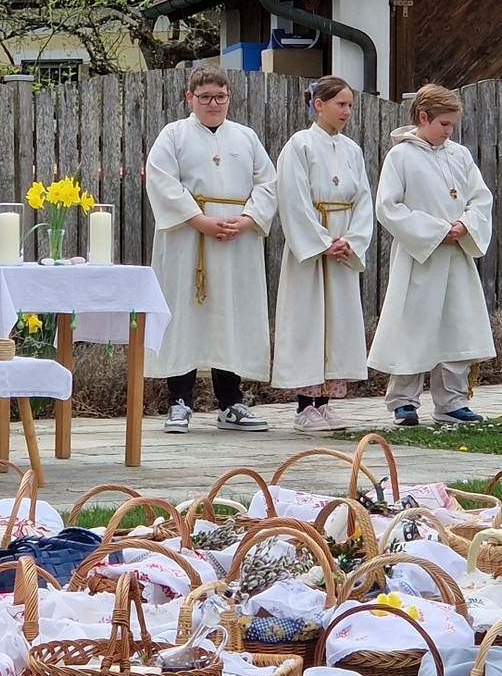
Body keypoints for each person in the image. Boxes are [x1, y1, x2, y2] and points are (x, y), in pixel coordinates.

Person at [144, 65, 277, 434]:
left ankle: (231, 403)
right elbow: (162, 182)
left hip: (236, 241)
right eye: (205, 97)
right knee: (185, 315)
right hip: (188, 240)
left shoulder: (246, 138)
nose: (213, 104)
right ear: (190, 98)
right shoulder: (173, 135)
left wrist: (248, 219)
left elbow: (268, 184)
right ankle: (179, 402)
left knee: (230, 315)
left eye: (220, 97)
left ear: (229, 97)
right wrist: (199, 220)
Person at [368, 84, 495, 426]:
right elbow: (388, 207)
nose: (449, 131)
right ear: (423, 117)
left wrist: (465, 225)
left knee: (456, 326)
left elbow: (480, 198)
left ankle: (451, 401)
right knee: (413, 328)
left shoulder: (460, 156)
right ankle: (403, 401)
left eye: (452, 124)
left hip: (456, 256)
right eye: (443, 124)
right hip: (420, 258)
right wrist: (436, 230)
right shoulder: (401, 157)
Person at [271, 76, 373, 433]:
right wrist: (322, 241)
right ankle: (304, 406)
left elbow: (363, 200)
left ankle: (325, 402)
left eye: (350, 105)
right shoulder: (299, 146)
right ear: (319, 104)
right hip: (314, 250)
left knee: (336, 322)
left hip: (342, 246)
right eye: (340, 104)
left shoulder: (352, 150)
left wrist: (352, 241)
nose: (346, 111)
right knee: (308, 321)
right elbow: (293, 199)